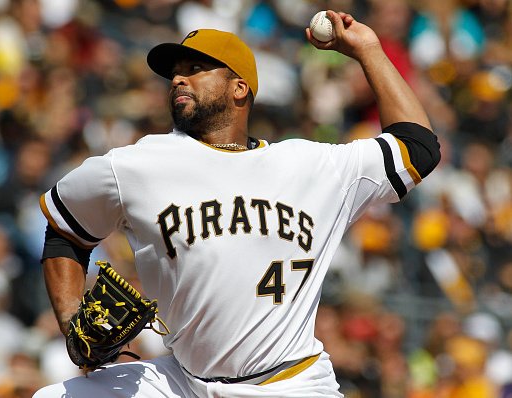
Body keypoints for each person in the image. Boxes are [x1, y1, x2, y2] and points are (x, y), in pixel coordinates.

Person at [33, 9, 440, 398]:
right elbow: (65, 230)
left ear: (239, 87)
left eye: (195, 69)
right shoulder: (134, 165)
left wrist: (369, 49)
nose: (178, 79)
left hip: (291, 383)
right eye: (175, 72)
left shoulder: (313, 166)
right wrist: (72, 325)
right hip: (182, 381)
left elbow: (418, 148)